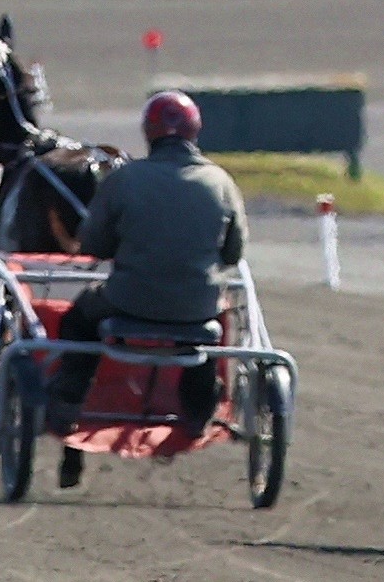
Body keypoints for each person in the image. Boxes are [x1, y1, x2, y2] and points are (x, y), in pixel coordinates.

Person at [58, 89, 245, 440]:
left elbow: (95, 245)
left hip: (129, 300)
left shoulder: (123, 180)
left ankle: (68, 400)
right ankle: (198, 409)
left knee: (79, 317)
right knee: (203, 335)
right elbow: (233, 254)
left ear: (149, 132)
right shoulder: (222, 183)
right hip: (197, 307)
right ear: (195, 131)